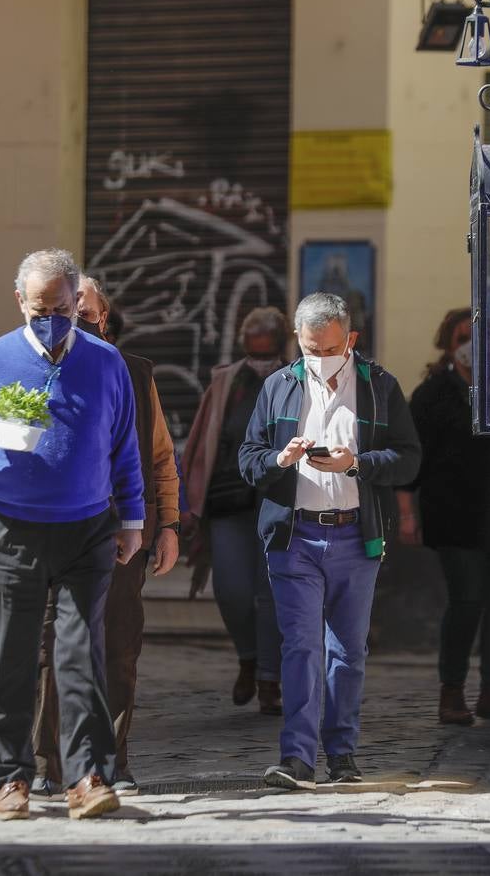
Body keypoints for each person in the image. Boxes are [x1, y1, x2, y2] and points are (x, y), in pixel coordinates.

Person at [0, 249, 144, 822]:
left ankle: (86, 776)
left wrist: (132, 521)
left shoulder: (106, 363)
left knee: (82, 657)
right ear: (19, 303)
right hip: (9, 530)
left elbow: (125, 448)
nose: (49, 318)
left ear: (77, 302)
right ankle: (12, 779)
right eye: (38, 309)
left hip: (87, 530)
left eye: (60, 307)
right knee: (9, 659)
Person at [238, 292, 420, 790]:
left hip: (356, 536)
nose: (318, 359)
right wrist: (281, 458)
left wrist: (356, 463)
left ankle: (342, 754)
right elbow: (248, 457)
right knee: (300, 646)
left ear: (351, 339)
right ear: (297, 339)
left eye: (329, 348)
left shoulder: (380, 387)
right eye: (309, 348)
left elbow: (409, 459)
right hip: (293, 536)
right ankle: (296, 756)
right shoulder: (279, 387)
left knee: (348, 651)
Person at [31, 276, 181, 797]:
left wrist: (169, 527)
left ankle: (114, 759)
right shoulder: (33, 369)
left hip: (123, 533)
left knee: (118, 647)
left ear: (104, 316)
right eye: (70, 315)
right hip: (55, 530)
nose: (80, 324)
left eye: (88, 315)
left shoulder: (136, 374)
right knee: (55, 647)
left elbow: (160, 456)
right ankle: (48, 763)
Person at [396, 308, 490, 725]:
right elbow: (412, 458)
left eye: (476, 335)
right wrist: (406, 512)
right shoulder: (432, 395)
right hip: (451, 515)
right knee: (467, 599)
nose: (469, 344)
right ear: (448, 343)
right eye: (462, 336)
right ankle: (452, 691)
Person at [182, 306, 290, 714]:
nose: (260, 363)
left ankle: (268, 677)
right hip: (229, 499)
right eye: (253, 353)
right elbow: (201, 441)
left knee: (272, 593)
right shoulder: (227, 382)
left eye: (267, 354)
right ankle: (247, 656)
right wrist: (191, 502)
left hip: (278, 499)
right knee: (232, 591)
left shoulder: (295, 377)